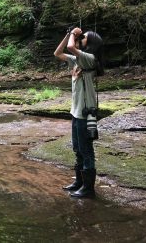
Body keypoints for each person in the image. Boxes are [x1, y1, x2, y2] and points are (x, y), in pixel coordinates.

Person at [53, 27, 103, 198]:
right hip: (76, 112)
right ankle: (80, 182)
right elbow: (58, 52)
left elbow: (70, 47)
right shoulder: (77, 61)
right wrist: (68, 34)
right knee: (77, 148)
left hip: (85, 112)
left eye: (84, 37)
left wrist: (74, 34)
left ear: (91, 43)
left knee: (86, 149)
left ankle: (88, 189)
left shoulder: (90, 59)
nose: (81, 38)